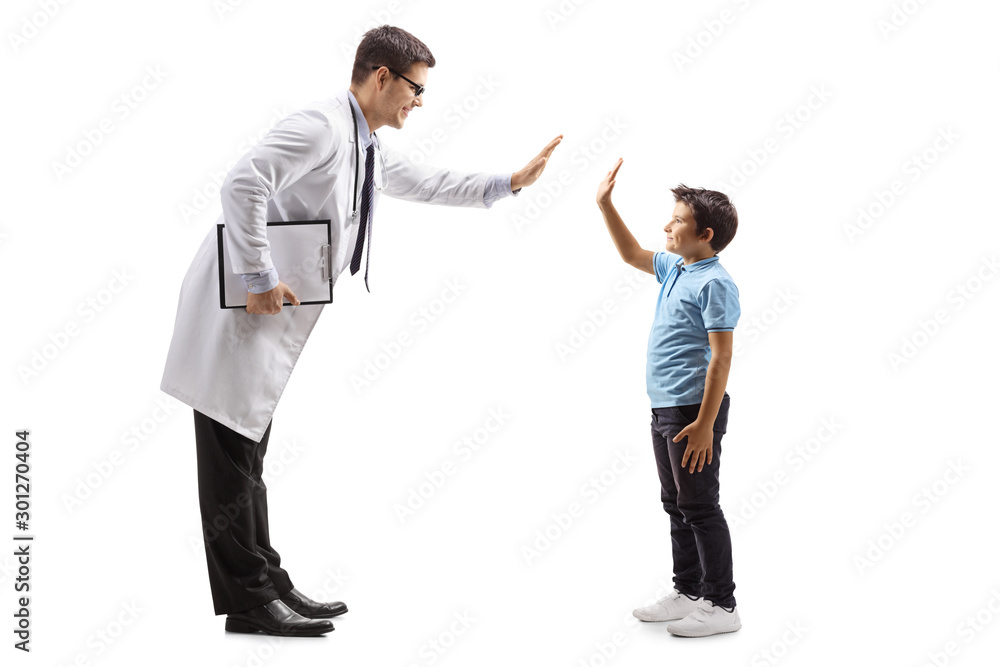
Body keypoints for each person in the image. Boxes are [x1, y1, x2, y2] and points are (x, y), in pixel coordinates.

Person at [160, 25, 562, 637]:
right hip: (239, 311)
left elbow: (423, 181)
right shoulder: (322, 127)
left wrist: (506, 183)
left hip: (266, 318)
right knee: (229, 459)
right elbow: (243, 182)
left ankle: (268, 581)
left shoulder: (363, 143)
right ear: (381, 77)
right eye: (415, 88)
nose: (419, 102)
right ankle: (246, 599)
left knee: (248, 455)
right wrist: (259, 276)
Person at [595, 158, 742, 638]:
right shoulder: (678, 268)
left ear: (706, 235)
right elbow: (632, 253)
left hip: (692, 412)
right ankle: (689, 591)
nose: (667, 225)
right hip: (664, 408)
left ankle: (722, 604)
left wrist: (704, 422)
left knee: (701, 505)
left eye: (677, 220)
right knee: (675, 503)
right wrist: (605, 204)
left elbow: (721, 359)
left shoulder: (715, 282)